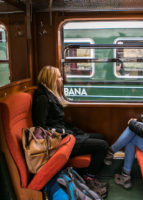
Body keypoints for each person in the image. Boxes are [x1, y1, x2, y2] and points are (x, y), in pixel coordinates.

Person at [32, 65, 109, 197]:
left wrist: (77, 132)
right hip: (59, 141)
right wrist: (68, 134)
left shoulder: (51, 95)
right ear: (52, 79)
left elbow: (59, 122)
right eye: (59, 77)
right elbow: (41, 127)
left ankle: (88, 174)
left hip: (65, 134)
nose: (61, 79)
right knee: (103, 146)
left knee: (101, 137)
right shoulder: (43, 99)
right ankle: (89, 178)